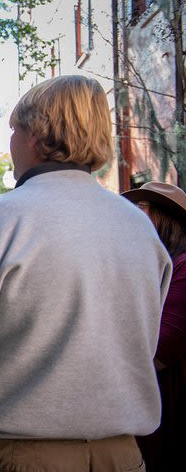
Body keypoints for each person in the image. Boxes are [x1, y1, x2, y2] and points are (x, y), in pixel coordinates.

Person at [0, 75, 172, 471]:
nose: (10, 144)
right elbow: (144, 342)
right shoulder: (141, 230)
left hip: (20, 453)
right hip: (123, 456)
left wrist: (0, 406)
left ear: (36, 136)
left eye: (14, 130)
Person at [122, 181, 186, 471]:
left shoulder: (184, 267)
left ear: (164, 217)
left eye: (141, 208)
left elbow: (159, 347)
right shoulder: (158, 268)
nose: (133, 215)